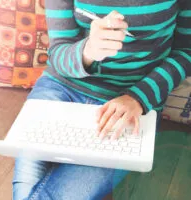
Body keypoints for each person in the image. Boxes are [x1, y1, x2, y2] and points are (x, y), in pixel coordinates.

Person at [13, 0, 191, 199]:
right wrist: (88, 51)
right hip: (61, 89)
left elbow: (186, 53)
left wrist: (138, 98)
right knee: (28, 184)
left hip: (132, 104)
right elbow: (58, 51)